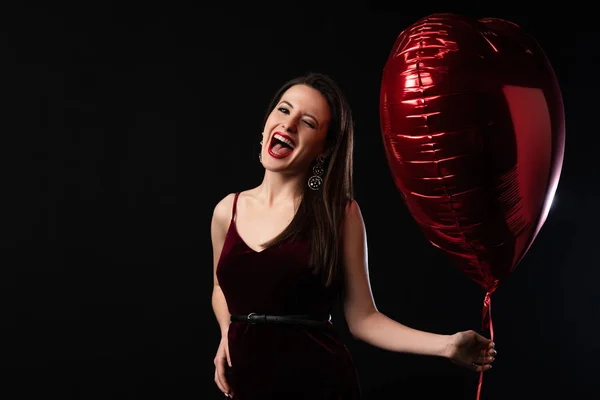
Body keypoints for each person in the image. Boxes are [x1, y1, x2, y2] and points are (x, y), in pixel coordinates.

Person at [211, 72, 496, 399]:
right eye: (284, 110)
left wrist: (447, 345)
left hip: (320, 385)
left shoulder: (340, 214)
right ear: (267, 123)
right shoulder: (226, 210)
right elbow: (220, 286)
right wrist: (226, 333)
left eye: (308, 122)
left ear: (324, 148)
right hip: (249, 386)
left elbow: (363, 319)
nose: (289, 125)